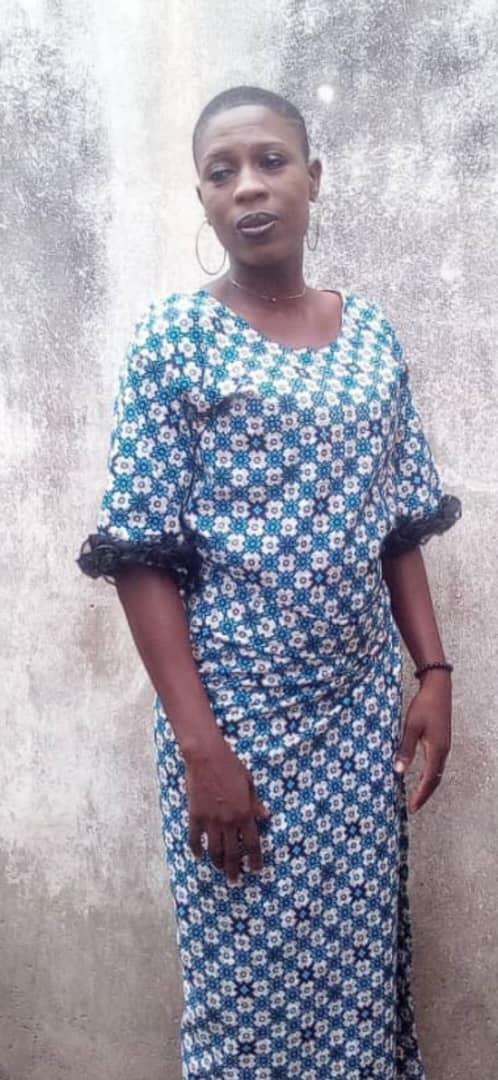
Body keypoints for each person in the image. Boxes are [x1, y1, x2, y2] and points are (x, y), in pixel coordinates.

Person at [78, 85, 461, 1080]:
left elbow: (399, 522)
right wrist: (203, 751)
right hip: (232, 729)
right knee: (242, 991)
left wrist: (433, 672)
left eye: (271, 160)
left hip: (358, 724)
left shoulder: (371, 338)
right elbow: (141, 554)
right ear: (202, 198)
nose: (248, 186)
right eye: (222, 171)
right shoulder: (174, 341)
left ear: (313, 177)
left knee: (357, 978)